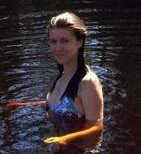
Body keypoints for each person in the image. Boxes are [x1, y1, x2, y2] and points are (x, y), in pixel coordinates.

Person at [6, 11, 104, 146]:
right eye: (53, 41)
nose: (58, 48)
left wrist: (64, 139)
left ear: (79, 42)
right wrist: (26, 105)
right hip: (57, 146)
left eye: (64, 41)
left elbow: (97, 127)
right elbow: (63, 104)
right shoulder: (61, 76)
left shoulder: (87, 82)